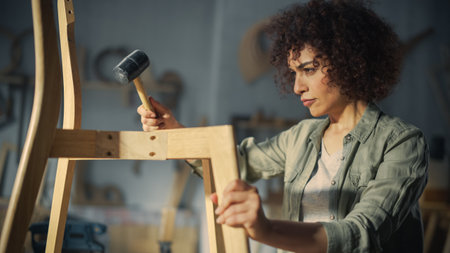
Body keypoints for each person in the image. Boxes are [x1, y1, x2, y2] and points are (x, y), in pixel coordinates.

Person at [137, 0, 429, 252]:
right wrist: (176, 132)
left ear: (350, 63)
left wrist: (265, 230)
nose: (297, 87)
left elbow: (363, 233)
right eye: (293, 73)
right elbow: (233, 163)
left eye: (309, 70)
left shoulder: (402, 142)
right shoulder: (300, 138)